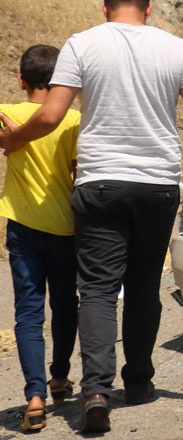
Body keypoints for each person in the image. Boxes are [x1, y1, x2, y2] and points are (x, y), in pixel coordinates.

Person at [0, 0, 183, 434]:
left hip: (100, 183)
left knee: (99, 289)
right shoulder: (177, 48)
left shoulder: (82, 45)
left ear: (104, 7)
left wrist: (14, 139)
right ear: (148, 8)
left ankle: (97, 391)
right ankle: (140, 382)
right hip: (157, 186)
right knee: (144, 286)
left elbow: (50, 115)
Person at [0, 45, 81, 432]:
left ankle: (34, 396)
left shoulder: (7, 115)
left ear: (21, 81)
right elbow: (78, 172)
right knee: (66, 305)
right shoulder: (73, 120)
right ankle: (60, 377)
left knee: (28, 314)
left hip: (22, 227)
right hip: (65, 228)